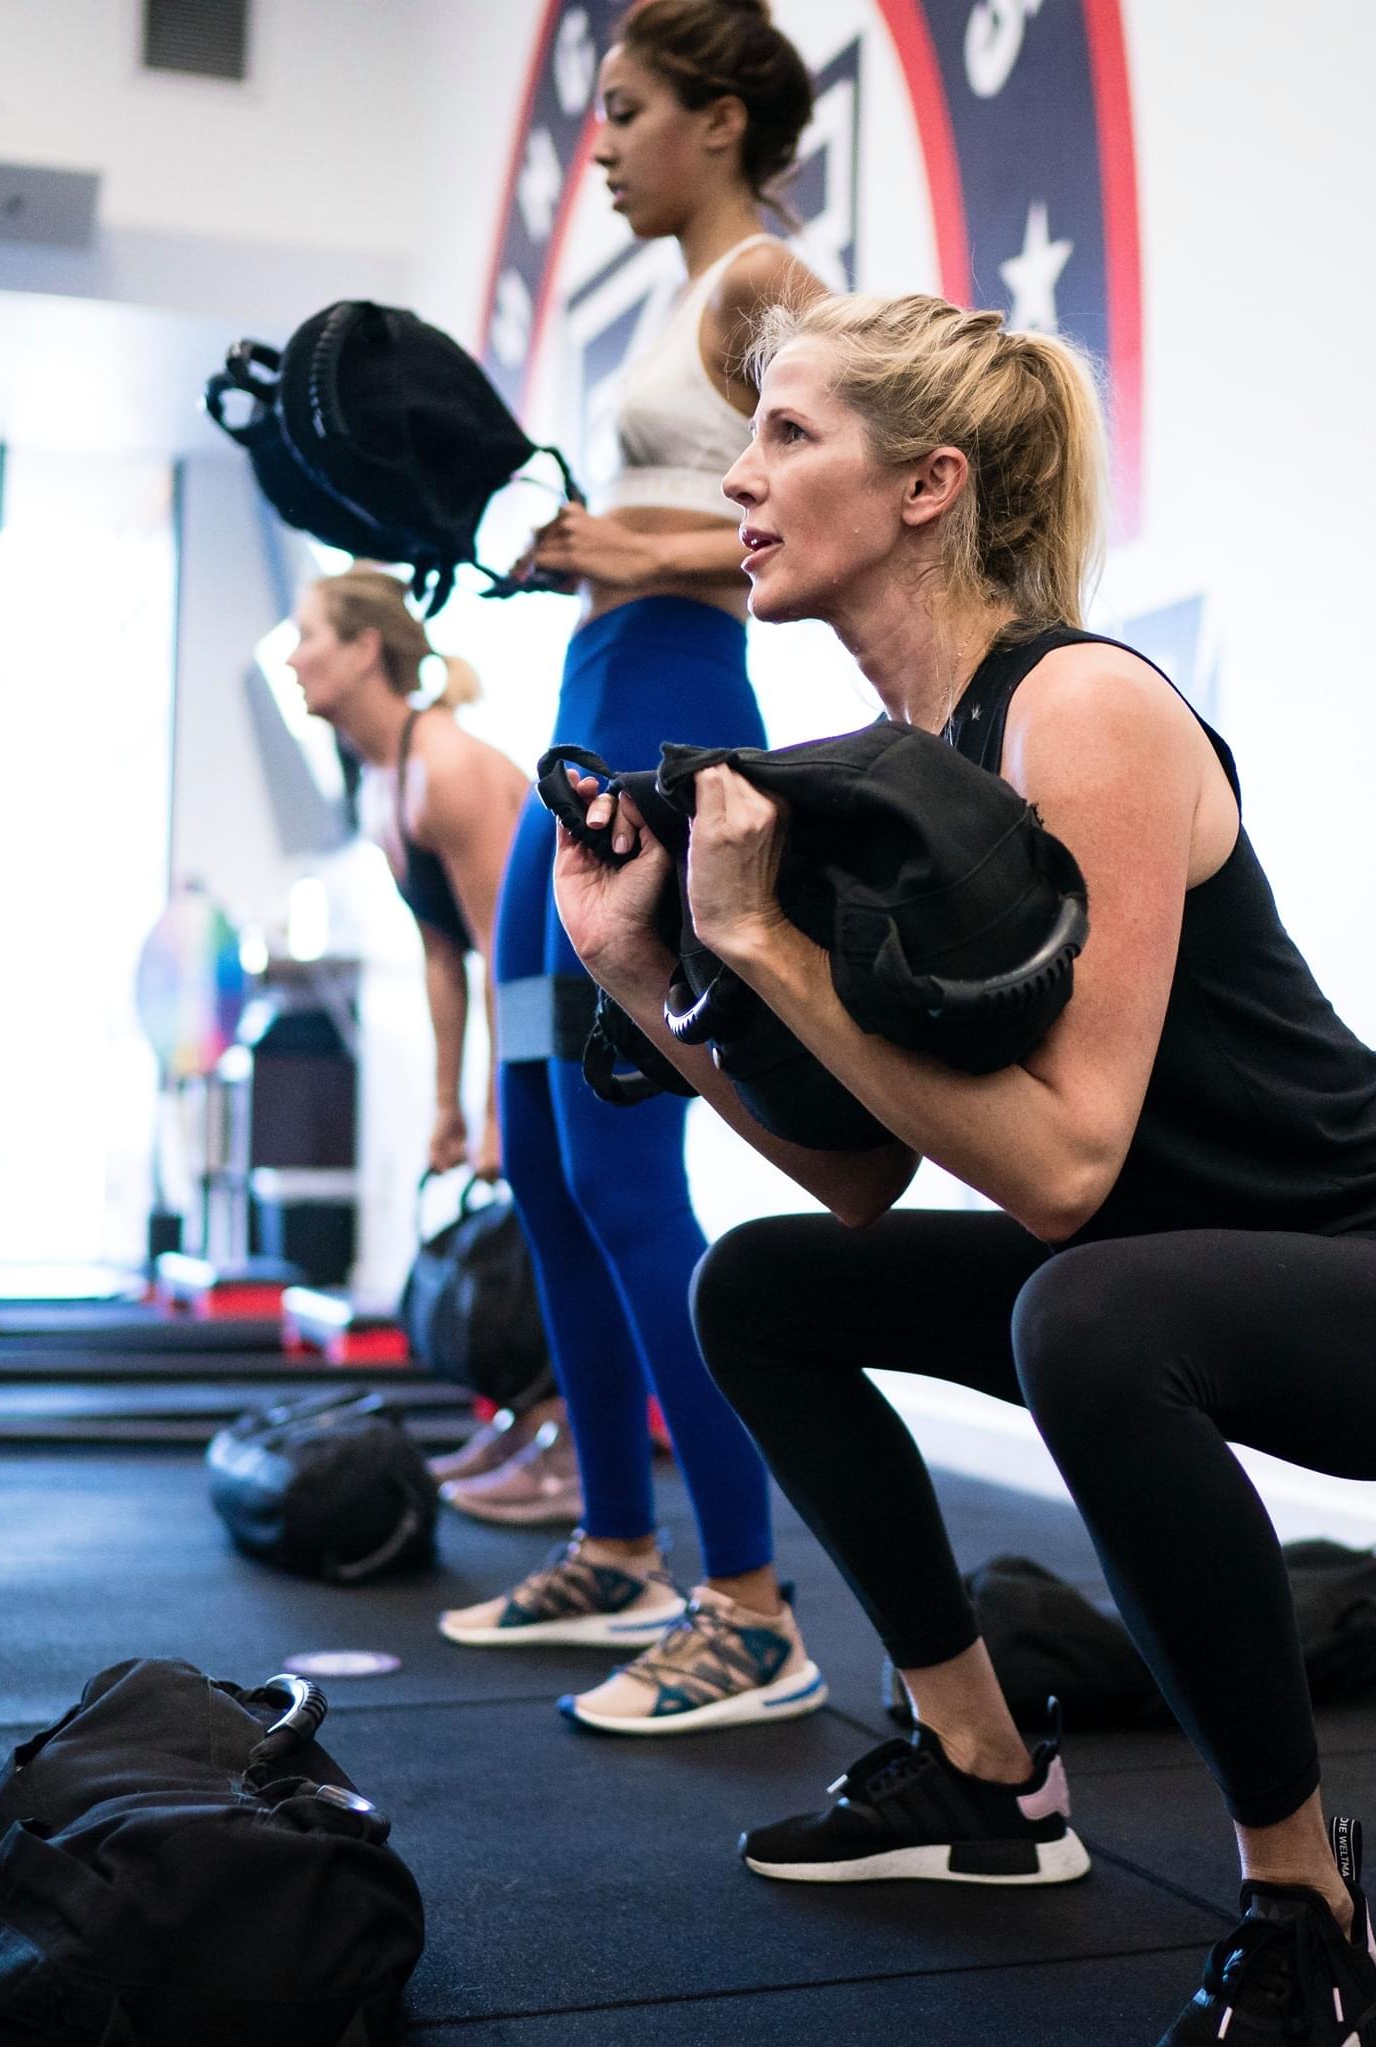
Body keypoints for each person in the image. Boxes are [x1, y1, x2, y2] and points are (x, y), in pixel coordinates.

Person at [548, 293, 1376, 2047]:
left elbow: (1067, 1167)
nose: (739, 480)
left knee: (1080, 1309)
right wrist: (646, 966)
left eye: (789, 435)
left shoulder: (1077, 706)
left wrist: (765, 945)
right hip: (1168, 1268)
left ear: (927, 484)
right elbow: (856, 1175)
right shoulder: (898, 772)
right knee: (763, 1285)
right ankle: (979, 1772)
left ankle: (1304, 1906)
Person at [439, 0, 836, 1733]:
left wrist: (620, 540)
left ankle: (747, 1601)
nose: (599, 146)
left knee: (619, 1171)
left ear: (721, 120)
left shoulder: (762, 282)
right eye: (593, 114)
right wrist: (579, 550)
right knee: (539, 1160)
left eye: (626, 110)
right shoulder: (683, 300)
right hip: (581, 725)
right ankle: (613, 1542)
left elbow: (824, 501)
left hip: (670, 733)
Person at [286, 571, 580, 1527]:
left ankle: (574, 1446)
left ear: (364, 650)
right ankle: (532, 1420)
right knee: (525, 1226)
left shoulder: (444, 766)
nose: (293, 658)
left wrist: (502, 1111)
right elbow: (442, 955)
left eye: (308, 636)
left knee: (567, 1223)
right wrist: (447, 1106)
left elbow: (508, 952)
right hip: (522, 998)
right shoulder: (382, 783)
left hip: (580, 1000)